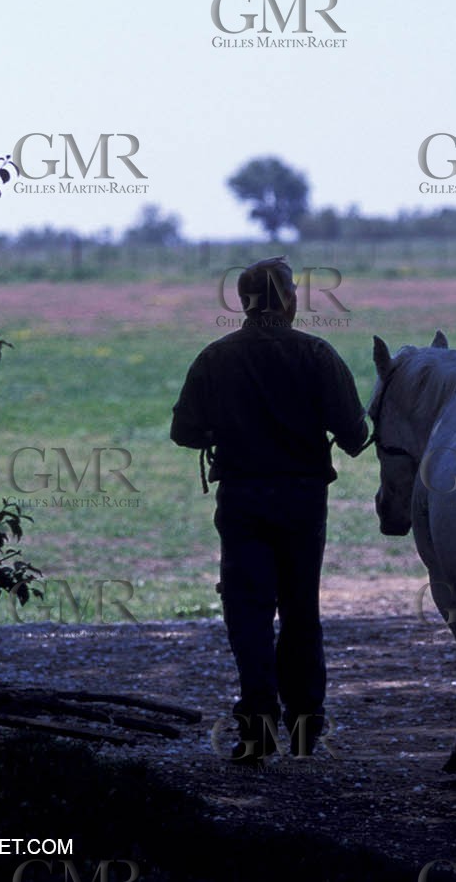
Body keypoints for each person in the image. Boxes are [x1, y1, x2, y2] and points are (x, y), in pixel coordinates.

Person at [170, 256, 369, 763]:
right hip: (304, 500)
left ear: (242, 300)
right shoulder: (318, 355)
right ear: (288, 301)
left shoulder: (216, 357)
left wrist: (225, 431)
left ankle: (256, 730)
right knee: (302, 612)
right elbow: (354, 435)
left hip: (241, 499)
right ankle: (305, 729)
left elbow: (184, 431)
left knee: (249, 615)